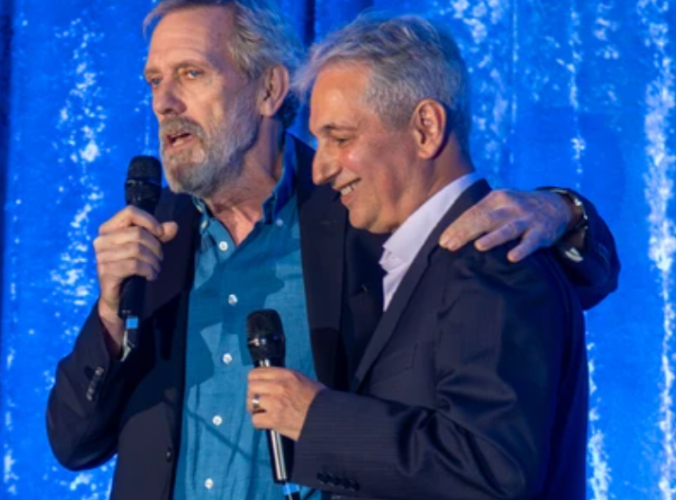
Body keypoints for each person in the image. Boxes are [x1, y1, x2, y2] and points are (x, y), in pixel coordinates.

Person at [46, 2, 619, 499]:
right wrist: (108, 318)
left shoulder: (362, 204)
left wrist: (565, 213)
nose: (164, 102)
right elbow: (73, 443)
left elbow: (509, 289)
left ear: (269, 89)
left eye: (190, 74)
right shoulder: (152, 242)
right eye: (153, 81)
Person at [246, 12, 603, 500]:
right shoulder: (412, 258)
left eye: (341, 138)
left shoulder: (492, 261)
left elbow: (490, 472)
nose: (322, 168)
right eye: (318, 141)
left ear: (426, 127)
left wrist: (318, 419)